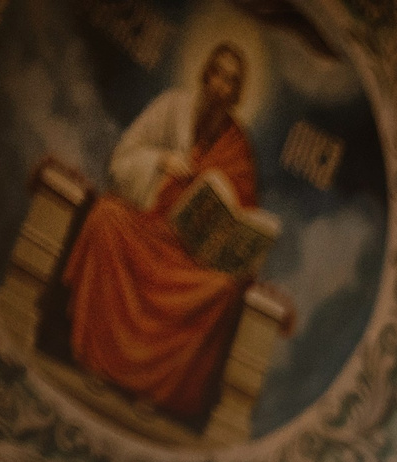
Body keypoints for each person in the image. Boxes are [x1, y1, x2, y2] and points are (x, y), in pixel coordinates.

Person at [62, 41, 267, 423]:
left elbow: (244, 220)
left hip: (190, 256)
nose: (221, 86)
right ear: (205, 74)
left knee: (221, 288)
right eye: (217, 74)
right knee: (106, 216)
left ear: (238, 94)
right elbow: (123, 157)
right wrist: (161, 162)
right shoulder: (172, 107)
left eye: (231, 81)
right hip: (149, 224)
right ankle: (99, 365)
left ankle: (152, 391)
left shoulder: (240, 149)